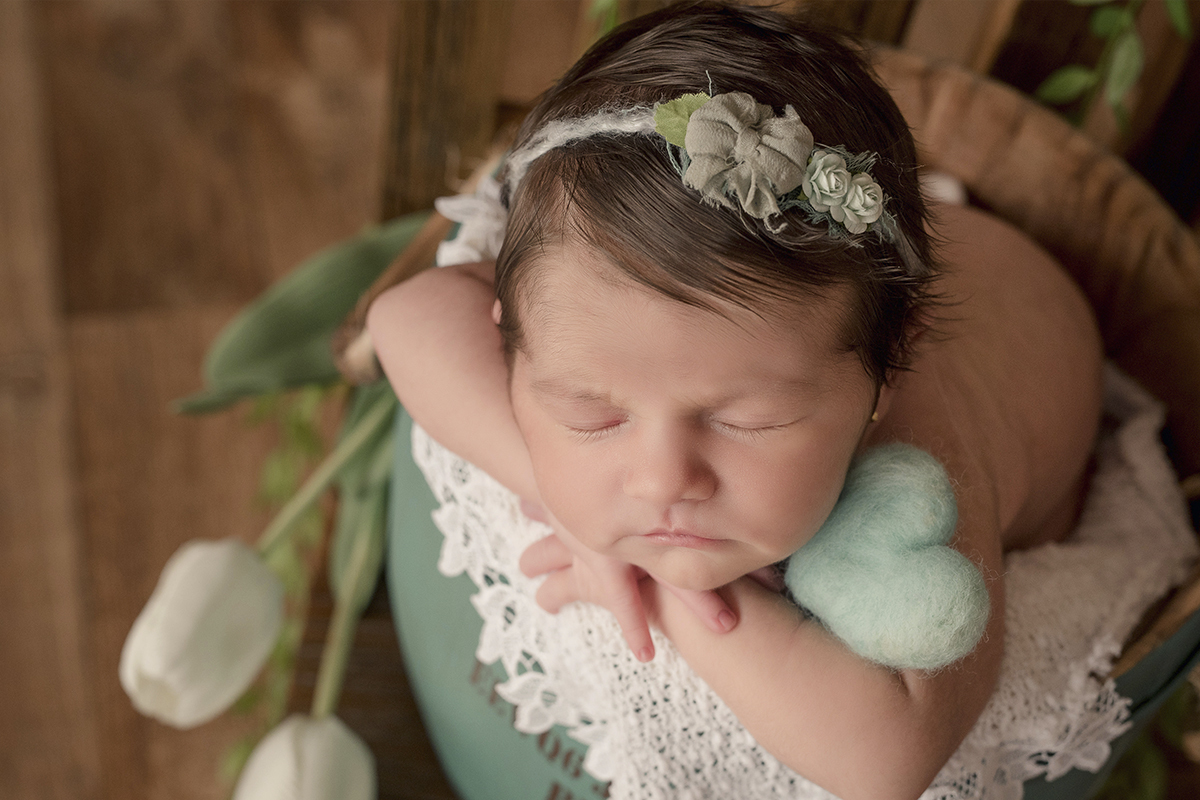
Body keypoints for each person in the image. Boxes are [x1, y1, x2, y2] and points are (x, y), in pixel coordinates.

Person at [367, 3, 1104, 798]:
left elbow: (891, 759)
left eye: (745, 420)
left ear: (888, 372)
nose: (661, 479)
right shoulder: (587, 290)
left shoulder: (922, 455)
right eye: (592, 414)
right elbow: (401, 317)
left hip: (1024, 321)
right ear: (508, 335)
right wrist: (560, 499)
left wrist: (678, 593)